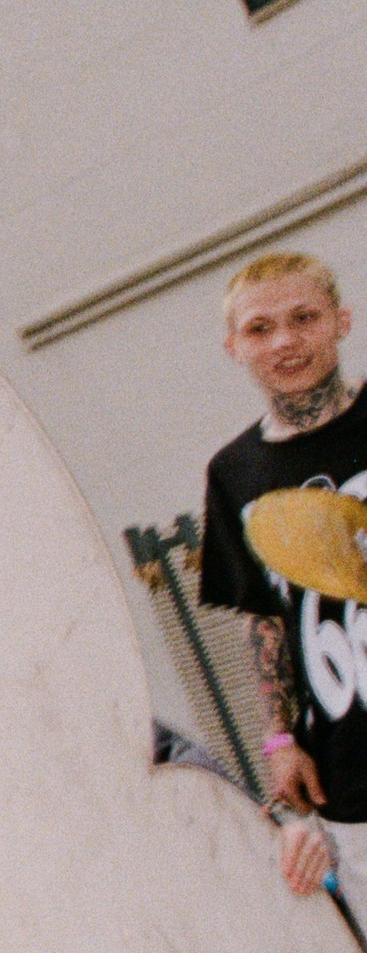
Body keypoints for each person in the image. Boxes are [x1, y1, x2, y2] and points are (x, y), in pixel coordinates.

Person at [198, 251, 367, 894]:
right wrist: (278, 740)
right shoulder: (233, 474)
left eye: (304, 317)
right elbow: (265, 617)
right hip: (350, 778)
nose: (286, 341)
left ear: (342, 321)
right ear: (234, 347)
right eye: (260, 329)